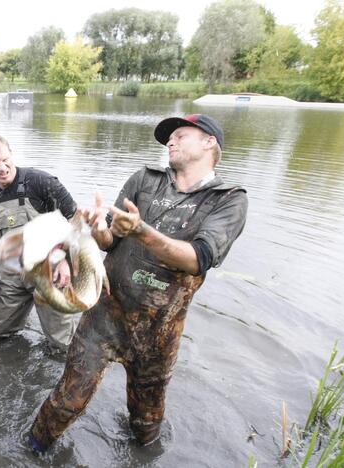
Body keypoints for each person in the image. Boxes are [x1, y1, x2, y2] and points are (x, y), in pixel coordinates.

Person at [29, 114, 248, 451]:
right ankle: (30, 451)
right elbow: (109, 241)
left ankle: (143, 455)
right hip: (103, 318)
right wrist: (97, 227)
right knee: (66, 401)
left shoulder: (228, 199)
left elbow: (198, 258)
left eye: (179, 135)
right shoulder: (145, 179)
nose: (170, 142)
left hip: (158, 334)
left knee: (146, 424)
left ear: (209, 142)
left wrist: (142, 231)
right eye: (168, 139)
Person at [0, 134, 80, 351]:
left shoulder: (40, 182)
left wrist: (65, 261)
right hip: (14, 274)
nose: (2, 168)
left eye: (5, 160)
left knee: (62, 346)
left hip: (49, 271)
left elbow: (76, 219)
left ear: (12, 154)